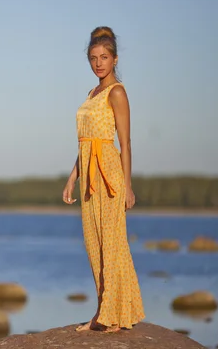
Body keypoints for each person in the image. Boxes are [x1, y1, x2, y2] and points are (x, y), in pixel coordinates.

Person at [62, 26, 145, 333]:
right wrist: (72, 178)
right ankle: (102, 311)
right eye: (94, 58)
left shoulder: (117, 92)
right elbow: (84, 142)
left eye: (104, 57)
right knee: (93, 244)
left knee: (112, 244)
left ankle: (113, 314)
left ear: (114, 59)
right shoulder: (91, 94)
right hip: (88, 176)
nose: (99, 63)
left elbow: (125, 142)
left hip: (109, 174)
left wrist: (128, 186)